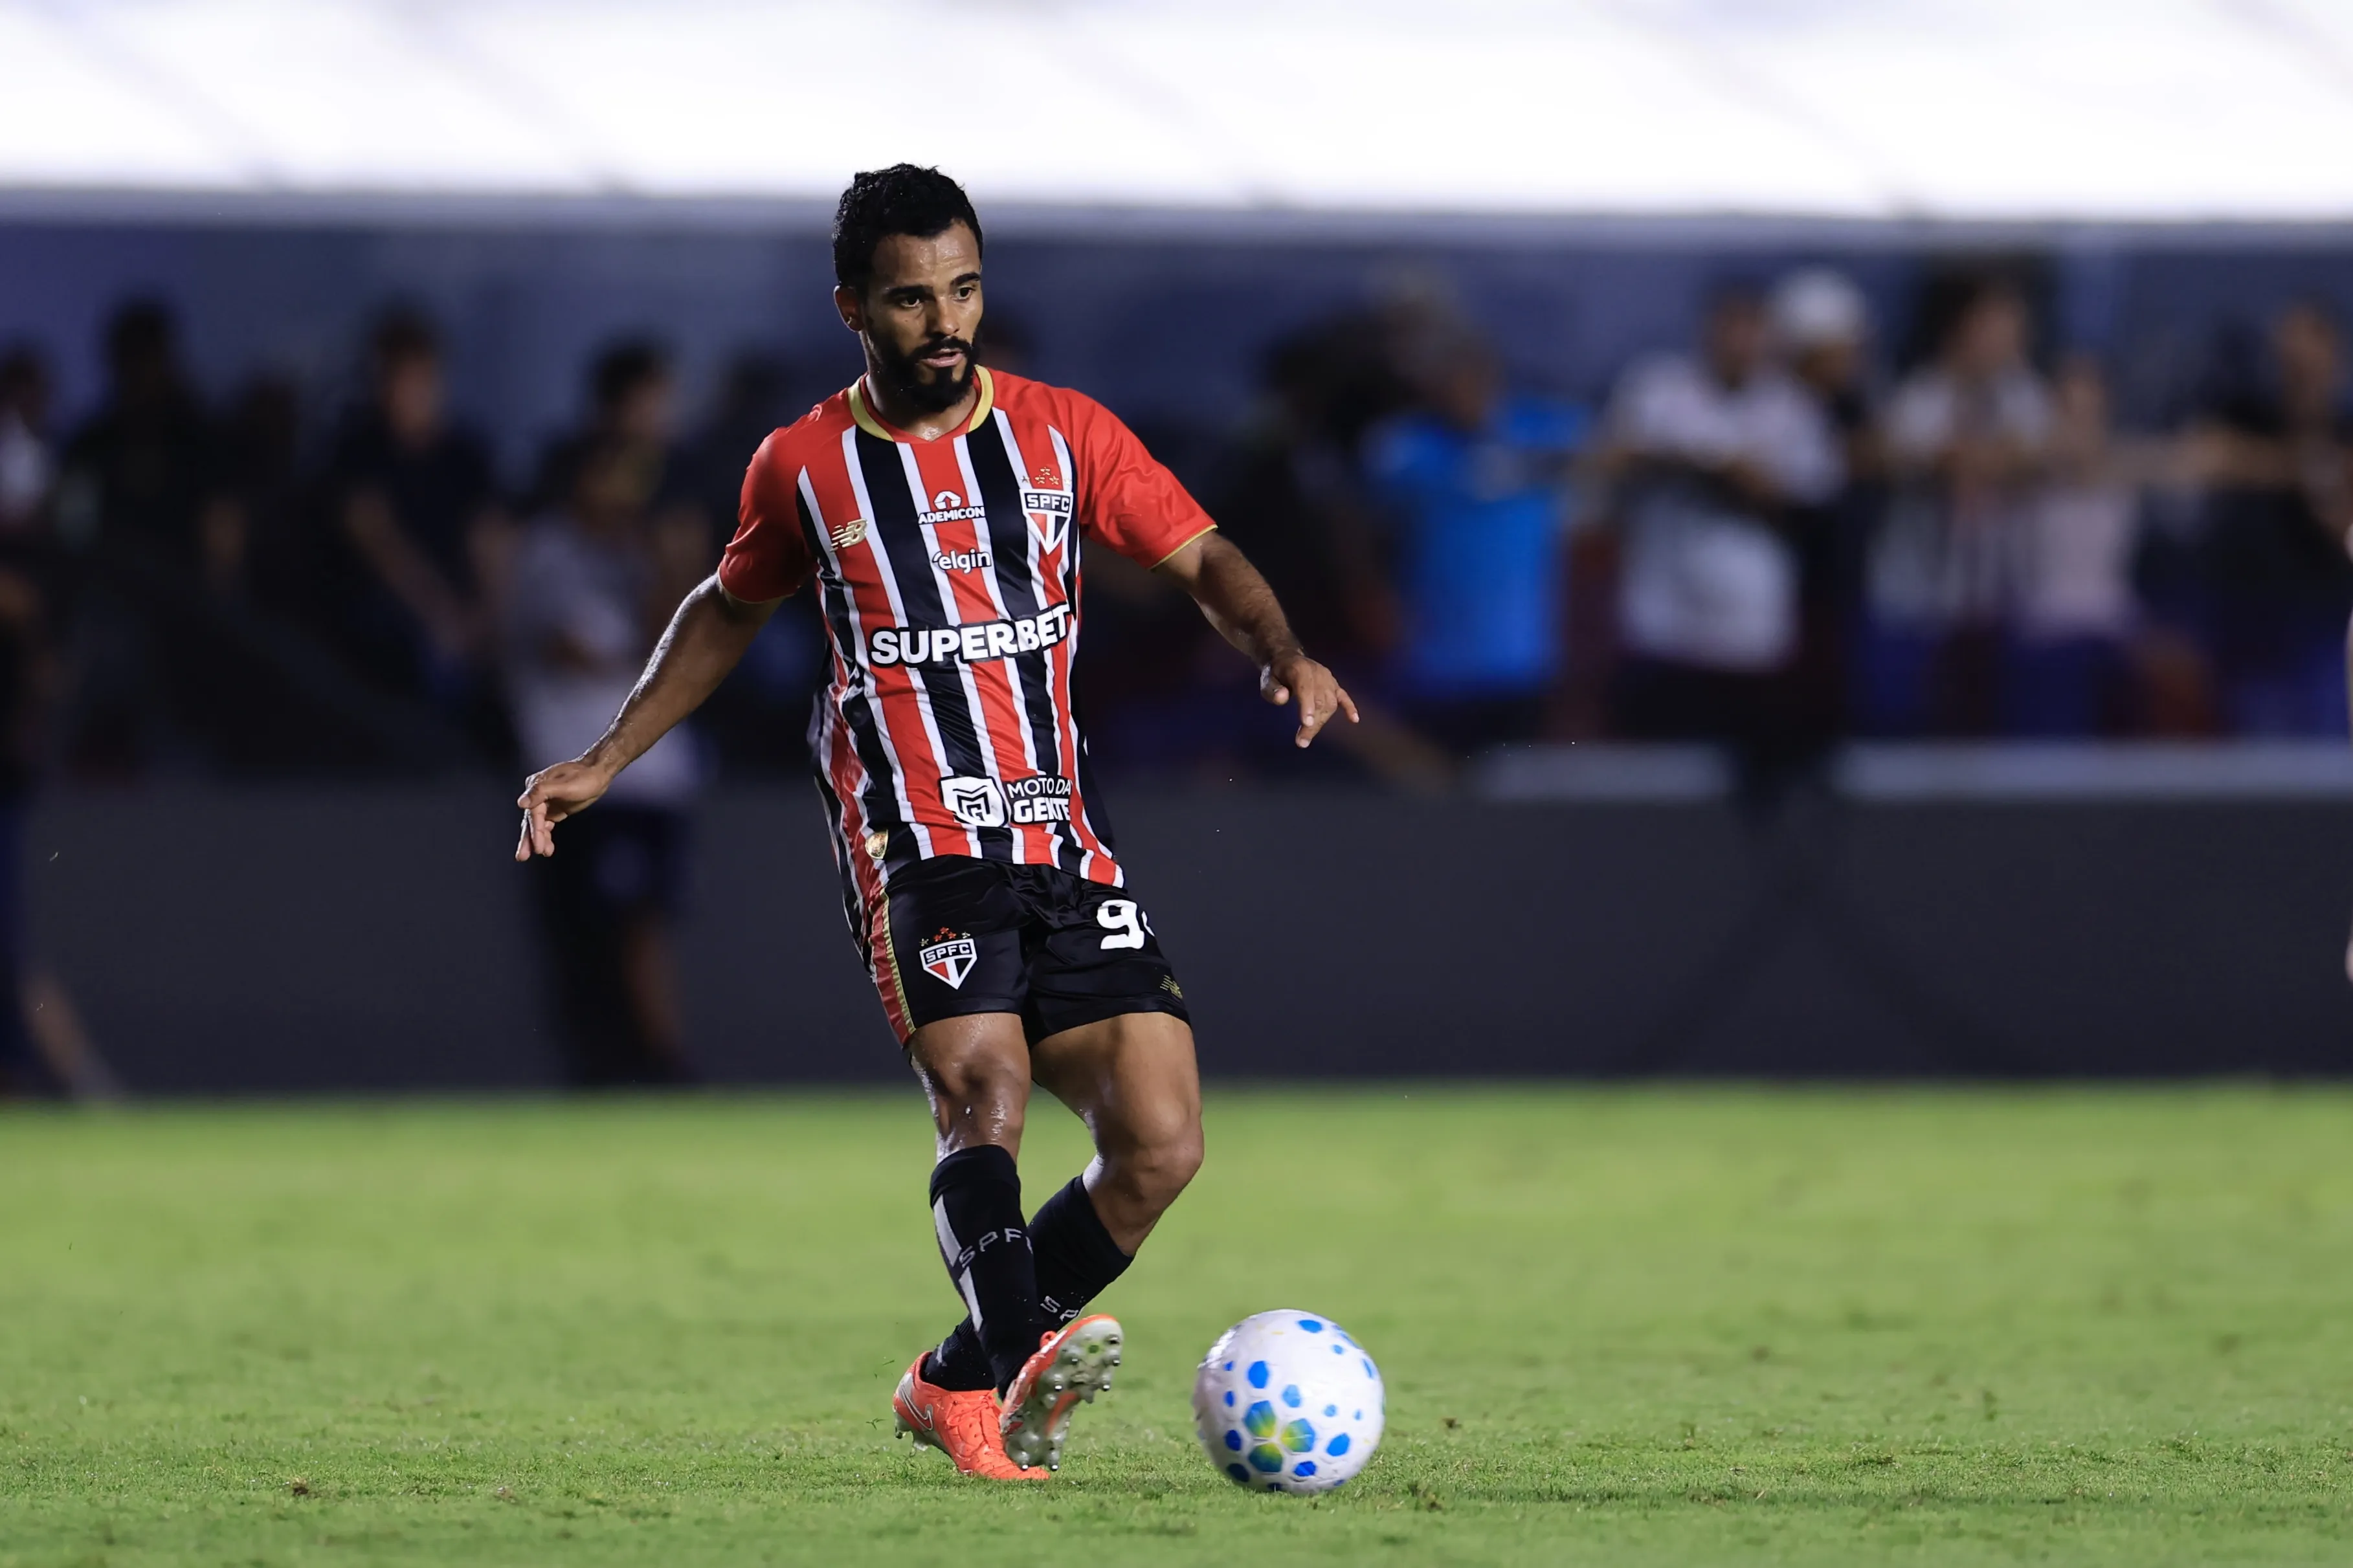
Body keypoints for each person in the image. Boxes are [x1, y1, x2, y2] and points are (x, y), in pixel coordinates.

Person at [513, 165, 1355, 1479]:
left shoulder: (1064, 434)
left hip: (1060, 837)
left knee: (1158, 1142)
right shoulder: (803, 466)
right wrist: (609, 754)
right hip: (913, 835)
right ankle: (1018, 1360)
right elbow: (724, 608)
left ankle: (956, 1375)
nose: (943, 319)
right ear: (853, 306)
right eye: (910, 299)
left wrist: (1280, 648)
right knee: (986, 1093)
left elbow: (1200, 554)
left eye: (961, 288)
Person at [506, 438, 709, 1086]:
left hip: (652, 775)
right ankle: (629, 1061)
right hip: (575, 769)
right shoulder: (550, 551)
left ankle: (647, 1060)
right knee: (597, 929)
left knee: (643, 921)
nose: (623, 494)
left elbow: (687, 642)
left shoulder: (641, 553)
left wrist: (674, 566)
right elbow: (581, 648)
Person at [1600, 285, 1843, 782]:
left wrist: (1746, 482)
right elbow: (1610, 460)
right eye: (1729, 328)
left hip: (1749, 633)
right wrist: (1696, 462)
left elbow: (1812, 504)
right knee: (1660, 784)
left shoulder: (1792, 407)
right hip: (1662, 625)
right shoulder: (1660, 386)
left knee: (1747, 779)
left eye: (1751, 330)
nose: (1739, 342)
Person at [1363, 329, 1585, 751]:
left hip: (1520, 661)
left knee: (1513, 797)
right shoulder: (1405, 448)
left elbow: (1610, 449)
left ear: (1495, 384)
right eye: (1453, 383)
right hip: (1432, 662)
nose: (1466, 395)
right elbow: (1361, 522)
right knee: (1437, 796)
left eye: (1476, 382)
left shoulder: (1539, 434)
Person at [1864, 279, 2053, 734]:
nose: (2011, 341)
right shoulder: (1919, 396)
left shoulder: (2021, 393)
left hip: (1995, 600)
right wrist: (1964, 457)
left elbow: (2045, 454)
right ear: (1962, 330)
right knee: (1909, 730)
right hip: (1916, 602)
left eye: (2016, 329)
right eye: (1998, 327)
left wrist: (1989, 457)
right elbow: (1906, 456)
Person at [322, 311, 509, 727]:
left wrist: (488, 614)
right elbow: (379, 544)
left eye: (418, 378)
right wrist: (440, 613)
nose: (406, 392)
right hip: (389, 606)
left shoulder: (465, 453)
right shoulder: (358, 450)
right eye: (394, 378)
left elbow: (491, 540)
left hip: (463, 609)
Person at [2191, 302, 2353, 736]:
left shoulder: (2343, 427)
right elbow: (2211, 455)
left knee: (2327, 751)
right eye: (2288, 349)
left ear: (2331, 354)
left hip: (2323, 620)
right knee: (2257, 753)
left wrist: (2328, 488)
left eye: (2308, 349)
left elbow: (2344, 527)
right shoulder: (2249, 412)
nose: (2296, 359)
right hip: (2250, 619)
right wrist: (2297, 466)